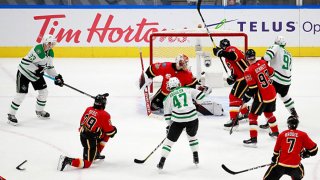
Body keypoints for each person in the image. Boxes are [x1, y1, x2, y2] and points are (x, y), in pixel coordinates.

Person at [7, 34, 64, 125]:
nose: (51, 45)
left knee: (44, 92)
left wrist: (56, 77)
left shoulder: (50, 52)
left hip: (36, 75)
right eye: (50, 43)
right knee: (21, 94)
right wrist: (36, 69)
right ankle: (11, 114)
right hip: (24, 73)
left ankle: (39, 111)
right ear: (45, 42)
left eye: (53, 43)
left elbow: (49, 67)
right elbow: (25, 63)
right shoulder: (38, 50)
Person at [157, 77, 209, 170]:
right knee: (192, 137)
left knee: (169, 142)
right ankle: (196, 156)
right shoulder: (187, 89)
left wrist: (169, 126)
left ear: (169, 86)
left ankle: (162, 161)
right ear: (179, 84)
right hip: (192, 118)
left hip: (178, 120)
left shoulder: (167, 98)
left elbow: (168, 116)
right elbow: (201, 98)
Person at [57, 93, 117, 171]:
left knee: (104, 134)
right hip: (89, 140)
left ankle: (95, 154)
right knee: (87, 163)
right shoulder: (104, 115)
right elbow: (110, 132)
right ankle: (68, 160)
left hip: (84, 134)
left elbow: (82, 122)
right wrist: (114, 129)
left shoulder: (89, 109)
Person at [242, 49, 279, 147]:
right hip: (272, 93)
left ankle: (253, 139)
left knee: (252, 117)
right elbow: (272, 73)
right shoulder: (263, 62)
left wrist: (246, 96)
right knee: (269, 113)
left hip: (262, 97)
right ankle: (275, 132)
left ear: (246, 58)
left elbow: (253, 88)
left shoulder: (248, 71)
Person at [260, 35, 298, 129]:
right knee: (284, 95)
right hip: (287, 80)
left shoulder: (275, 47)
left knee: (269, 98)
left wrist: (262, 60)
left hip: (276, 79)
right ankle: (293, 112)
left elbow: (267, 57)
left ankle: (269, 121)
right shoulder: (289, 53)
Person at [263, 116, 318, 180]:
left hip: (280, 165)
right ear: (297, 124)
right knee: (300, 175)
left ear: (288, 124)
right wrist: (306, 153)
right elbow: (314, 150)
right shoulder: (303, 135)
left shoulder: (282, 134)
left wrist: (274, 160)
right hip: (295, 166)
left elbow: (276, 151)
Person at [213, 39, 249, 129]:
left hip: (246, 77)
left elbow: (233, 56)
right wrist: (232, 77)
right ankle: (245, 113)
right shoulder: (227, 56)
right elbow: (235, 68)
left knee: (233, 97)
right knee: (238, 96)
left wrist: (221, 53)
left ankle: (234, 120)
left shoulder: (231, 49)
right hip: (243, 77)